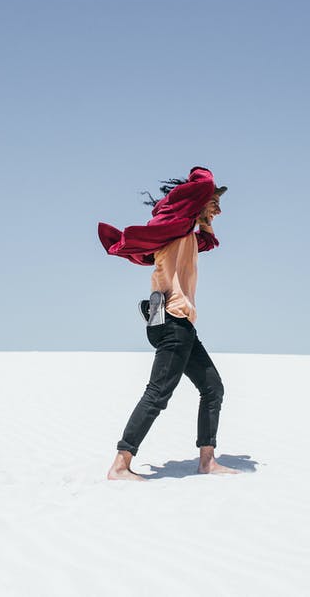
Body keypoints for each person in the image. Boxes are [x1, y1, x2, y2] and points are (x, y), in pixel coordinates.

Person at [97, 166, 240, 481]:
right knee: (158, 392)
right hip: (173, 321)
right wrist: (203, 192)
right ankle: (120, 465)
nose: (219, 208)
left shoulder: (184, 236)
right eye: (214, 201)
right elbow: (201, 189)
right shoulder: (175, 229)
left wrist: (207, 223)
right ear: (197, 202)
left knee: (212, 387)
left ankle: (207, 461)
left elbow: (207, 243)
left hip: (180, 323)